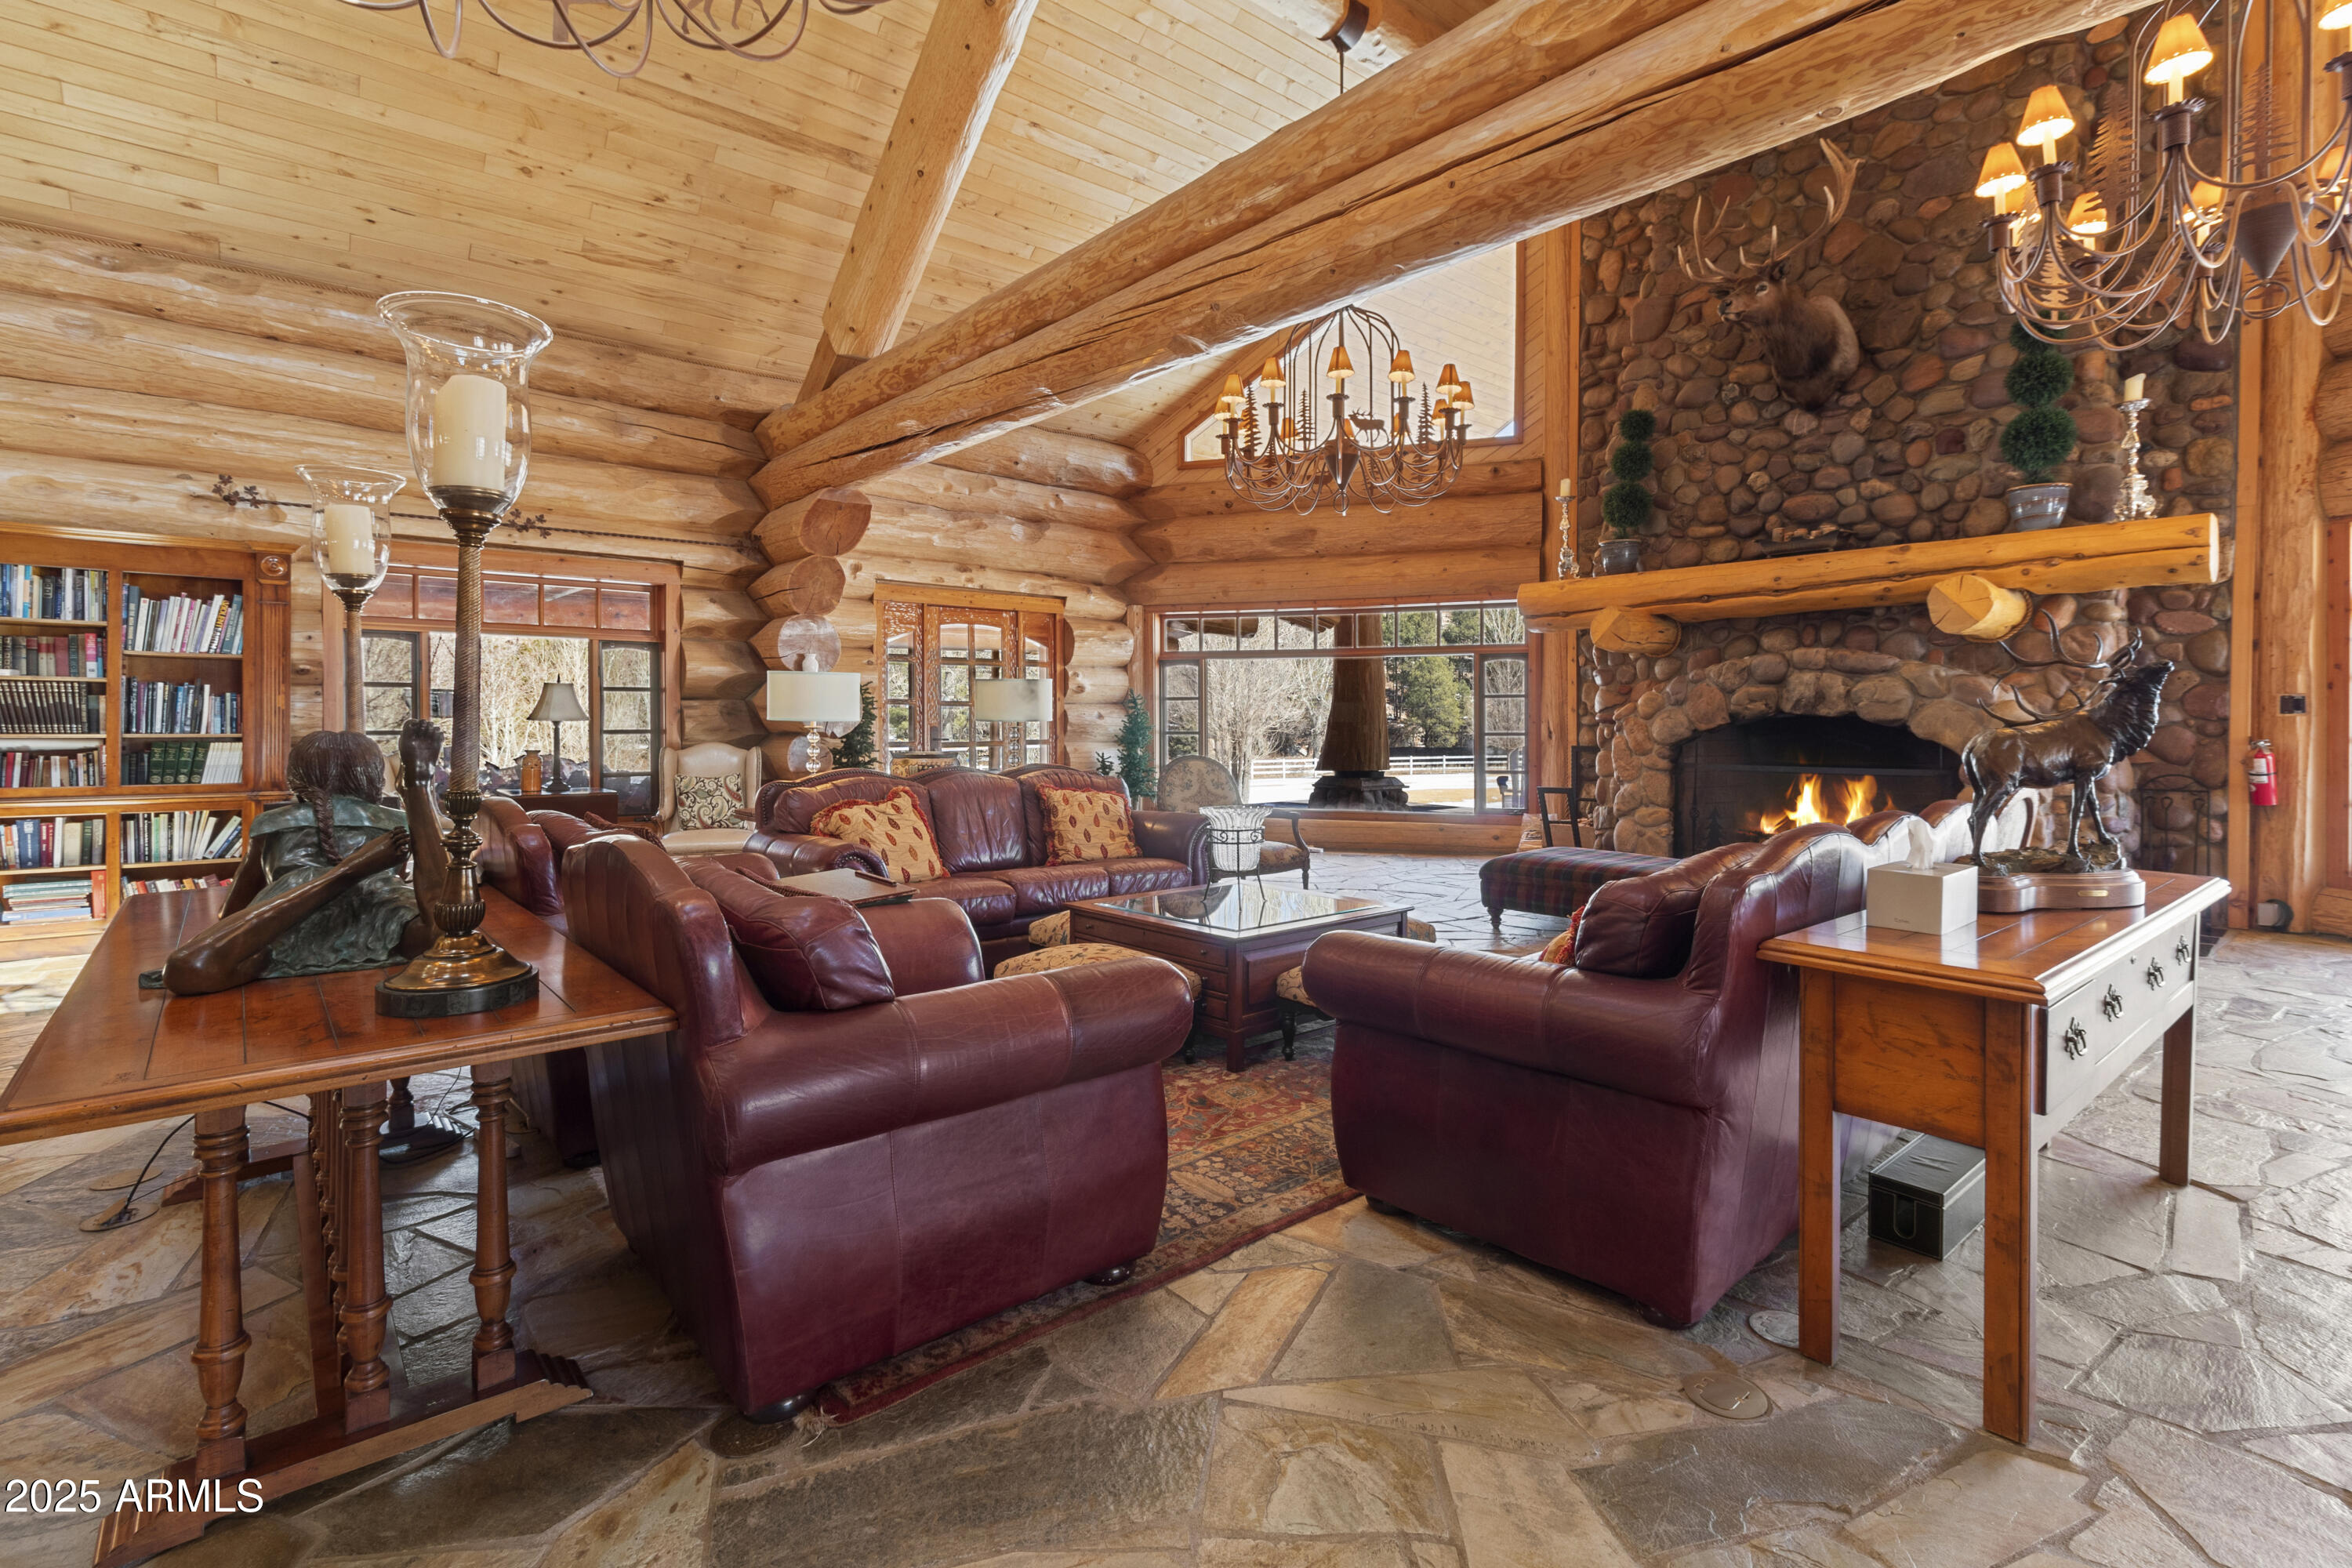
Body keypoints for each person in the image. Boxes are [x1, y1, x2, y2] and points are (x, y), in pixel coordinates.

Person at [162, 720, 450, 993]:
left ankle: (417, 786)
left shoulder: (272, 824)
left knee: (189, 968)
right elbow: (437, 896)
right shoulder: (393, 822)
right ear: (375, 778)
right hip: (375, 916)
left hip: (296, 915)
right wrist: (351, 870)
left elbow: (231, 914)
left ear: (297, 780)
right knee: (447, 931)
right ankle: (419, 785)